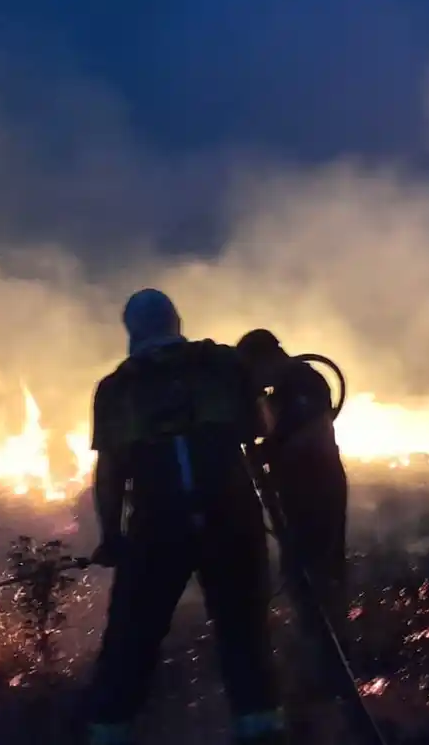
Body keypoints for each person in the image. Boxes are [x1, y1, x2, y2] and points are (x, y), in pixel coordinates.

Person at [86, 289, 286, 745]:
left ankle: (109, 733)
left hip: (158, 527)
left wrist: (111, 535)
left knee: (131, 643)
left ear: (132, 332)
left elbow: (112, 470)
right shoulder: (221, 366)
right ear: (176, 322)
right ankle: (262, 733)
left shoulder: (119, 387)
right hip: (232, 519)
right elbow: (260, 428)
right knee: (245, 635)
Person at [234, 328, 348, 619]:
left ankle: (329, 632)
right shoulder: (281, 390)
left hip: (318, 489)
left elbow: (312, 431)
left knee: (315, 567)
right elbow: (271, 430)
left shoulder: (304, 381)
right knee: (298, 565)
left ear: (265, 359)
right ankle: (317, 628)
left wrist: (267, 453)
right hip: (297, 490)